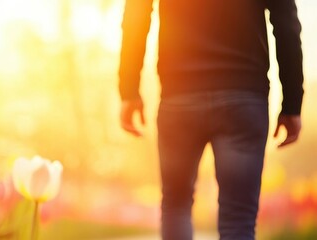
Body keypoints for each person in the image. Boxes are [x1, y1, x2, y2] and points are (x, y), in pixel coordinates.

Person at [118, 0, 304, 239]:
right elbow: (285, 20)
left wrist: (129, 89)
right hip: (243, 97)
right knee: (239, 219)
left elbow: (137, 12)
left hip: (180, 96)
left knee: (176, 205)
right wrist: (292, 102)